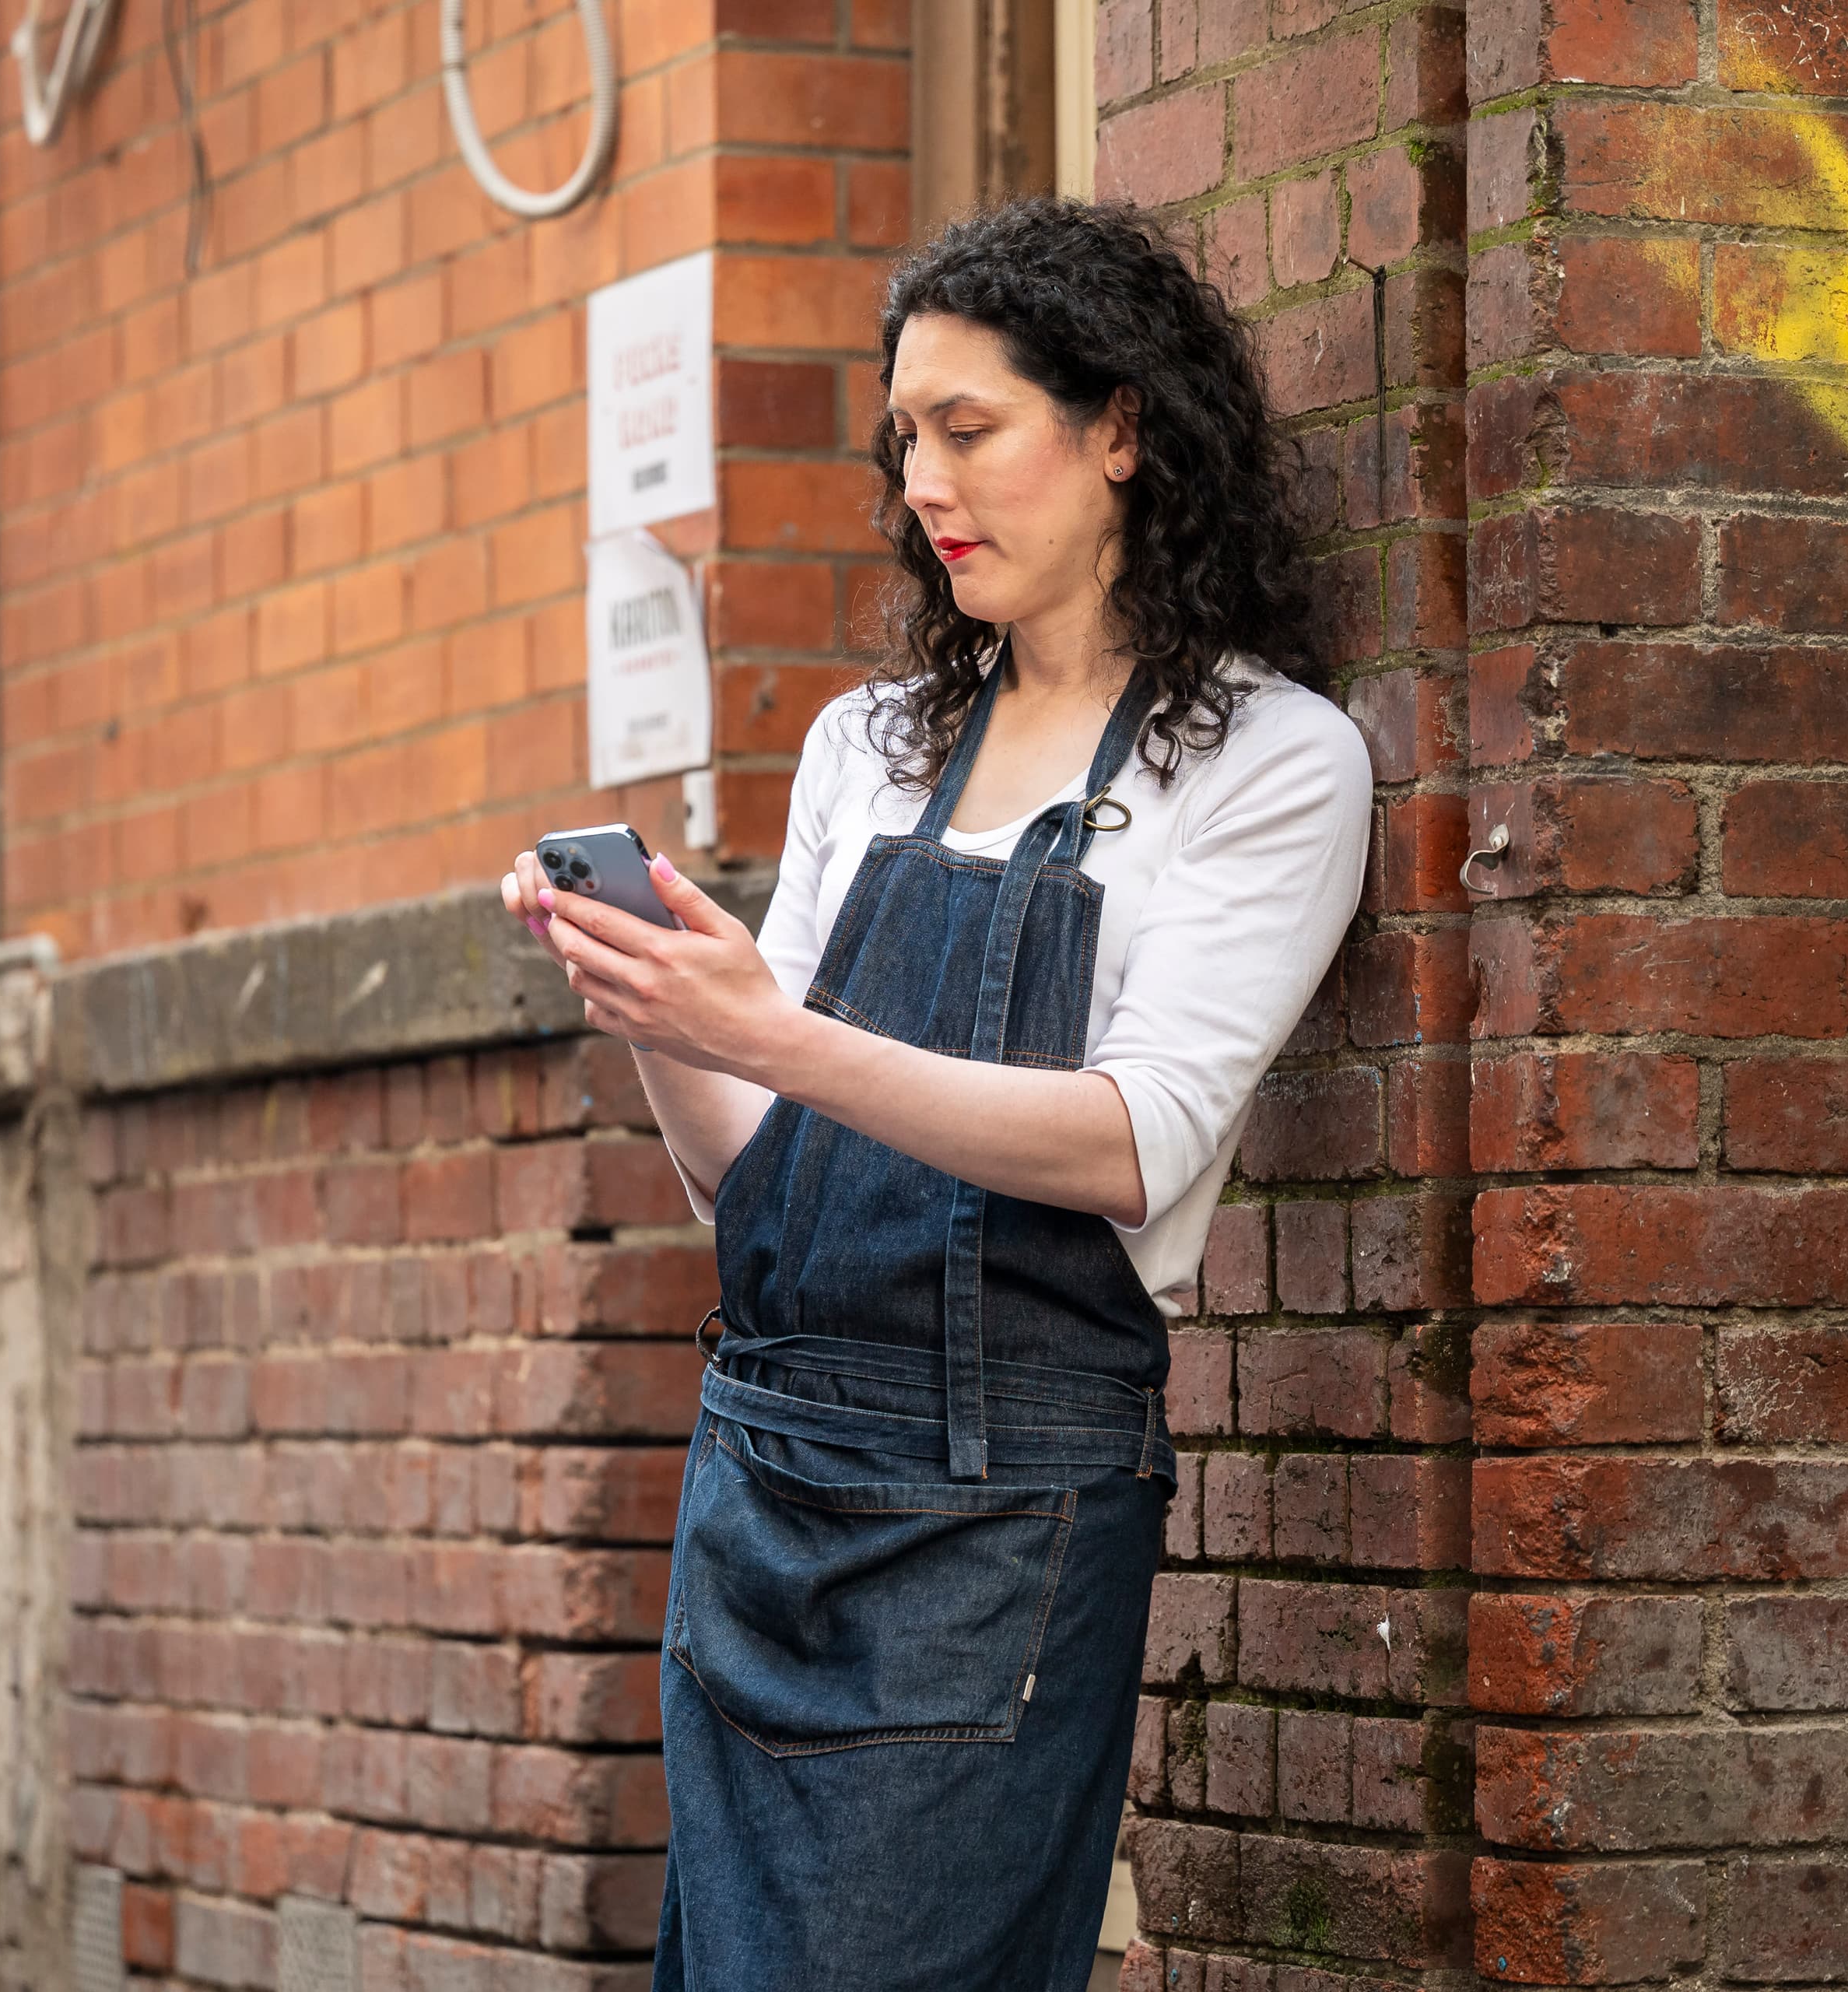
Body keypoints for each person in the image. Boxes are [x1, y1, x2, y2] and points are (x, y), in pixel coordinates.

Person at [500, 198, 1373, 1990]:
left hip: (1004, 1517)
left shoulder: (1271, 760)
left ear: (1121, 429)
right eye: (905, 436)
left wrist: (775, 1027)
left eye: (967, 428)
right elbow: (765, 1183)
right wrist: (661, 1001)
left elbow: (1139, 1139)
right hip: (764, 1484)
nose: (923, 482)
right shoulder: (867, 746)